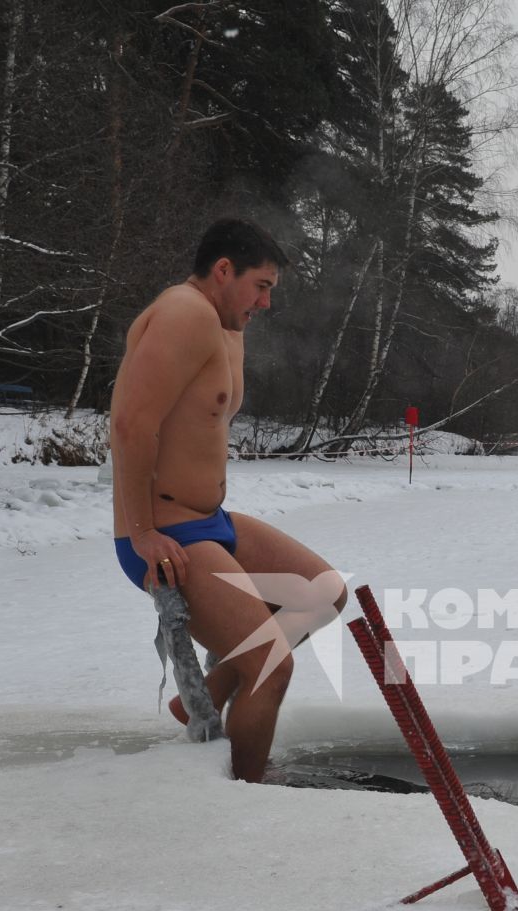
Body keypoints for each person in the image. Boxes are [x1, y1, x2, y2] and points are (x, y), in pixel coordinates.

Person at [109, 218, 345, 783]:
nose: (265, 302)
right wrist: (142, 533)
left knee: (324, 593)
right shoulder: (183, 314)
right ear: (222, 271)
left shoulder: (225, 326)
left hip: (210, 519)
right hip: (167, 534)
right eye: (260, 286)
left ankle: (206, 695)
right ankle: (244, 798)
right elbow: (129, 423)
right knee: (269, 664)